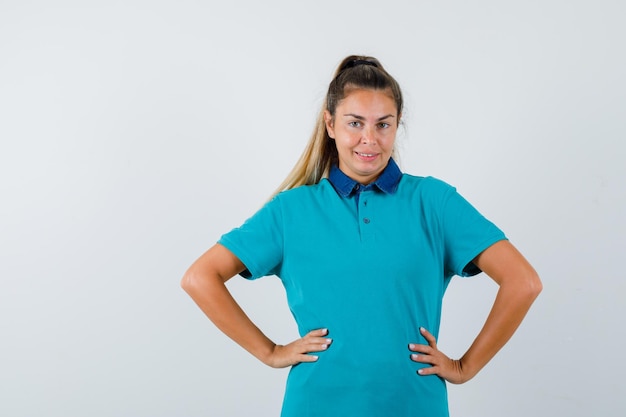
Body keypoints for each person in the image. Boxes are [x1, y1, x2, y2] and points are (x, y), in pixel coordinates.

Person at [181, 55, 542, 417]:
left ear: (397, 125)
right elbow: (200, 277)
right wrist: (270, 351)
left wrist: (465, 367)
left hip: (413, 406)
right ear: (330, 123)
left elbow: (522, 281)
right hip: (316, 405)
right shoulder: (291, 211)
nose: (369, 139)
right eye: (355, 123)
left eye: (383, 125)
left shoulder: (434, 203)